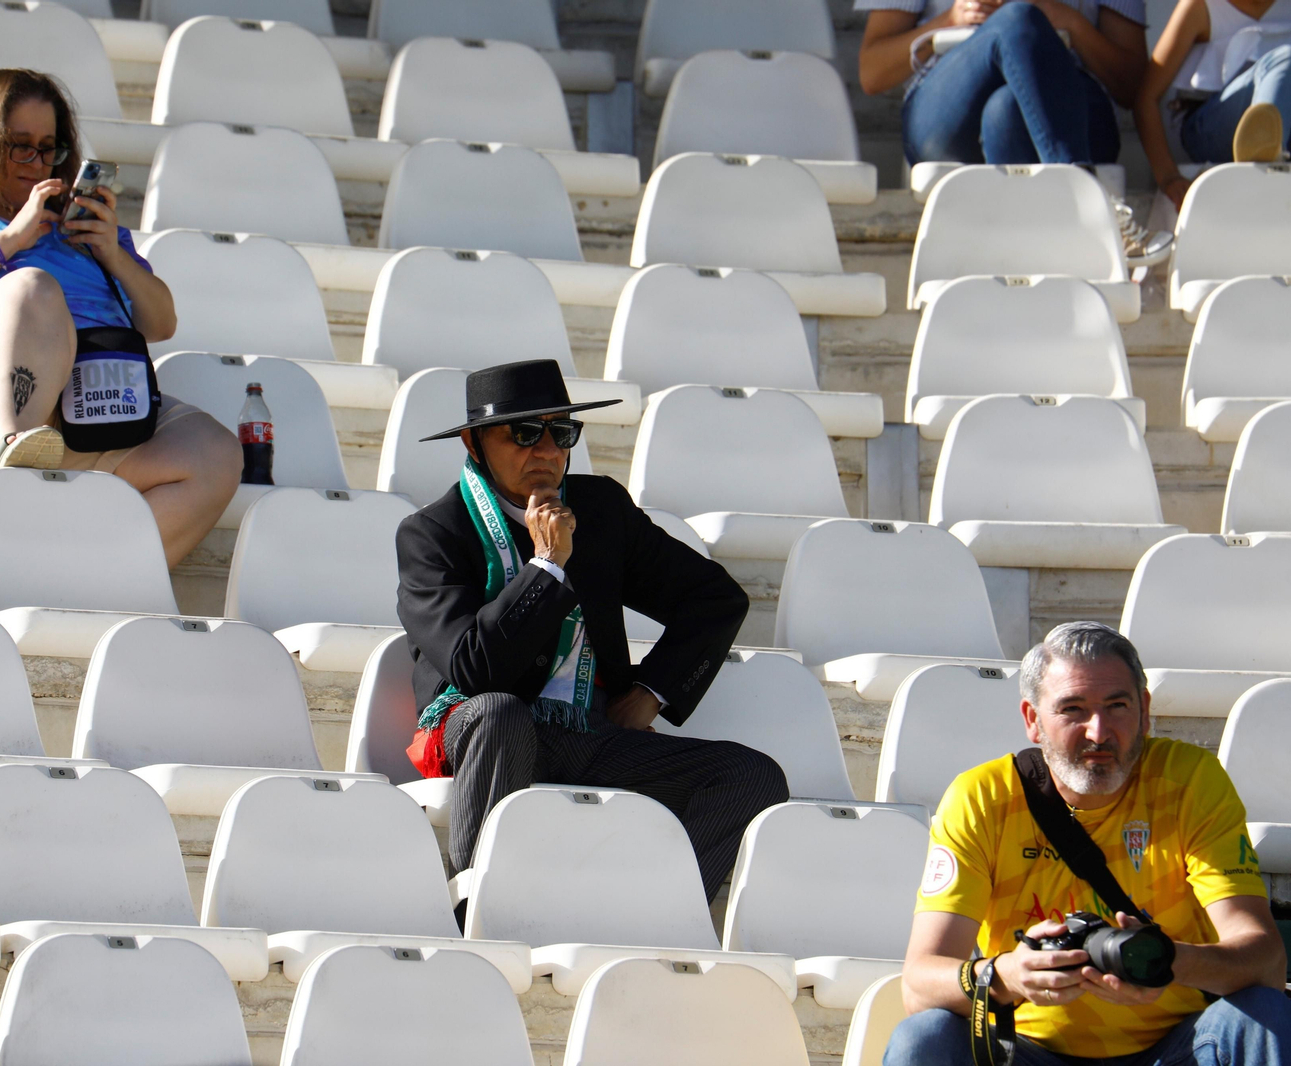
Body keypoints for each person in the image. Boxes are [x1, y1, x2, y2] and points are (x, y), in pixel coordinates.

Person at [394, 360, 790, 901]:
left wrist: (649, 695)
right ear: (473, 441)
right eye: (525, 433)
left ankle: (654, 911)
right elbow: (476, 671)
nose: (548, 451)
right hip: (484, 734)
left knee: (752, 776)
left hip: (588, 732)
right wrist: (547, 567)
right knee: (499, 712)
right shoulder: (433, 533)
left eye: (562, 432)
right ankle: (476, 904)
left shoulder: (601, 510)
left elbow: (716, 598)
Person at [0, 68, 239, 566]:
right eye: (20, 145)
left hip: (86, 407)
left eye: (48, 147)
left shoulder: (84, 228)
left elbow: (161, 323)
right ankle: (13, 448)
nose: (36, 163)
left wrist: (113, 254)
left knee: (213, 456)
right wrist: (8, 242)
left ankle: (94, 585)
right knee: (32, 287)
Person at [885, 621, 1289, 1065]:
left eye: (1117, 706)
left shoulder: (1189, 781)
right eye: (1073, 709)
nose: (1098, 732)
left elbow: (1265, 962)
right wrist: (1008, 976)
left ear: (1145, 711)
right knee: (924, 1037)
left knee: (1265, 1013)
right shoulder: (983, 798)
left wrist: (1167, 962)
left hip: (1176, 1048)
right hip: (1025, 1050)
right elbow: (919, 984)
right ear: (1032, 720)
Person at [857, 0, 1170, 261]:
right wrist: (952, 18)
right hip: (947, 116)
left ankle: (1024, 262)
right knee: (1017, 17)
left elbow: (1132, 86)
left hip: (1070, 107)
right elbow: (872, 72)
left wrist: (1066, 20)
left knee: (1005, 109)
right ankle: (1091, 209)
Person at [1134, 0, 1291, 208]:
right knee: (1284, 60)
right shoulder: (1201, 7)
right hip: (1205, 131)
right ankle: (1265, 165)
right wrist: (1168, 176)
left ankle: (1269, 154)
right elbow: (1146, 99)